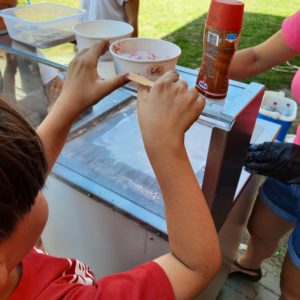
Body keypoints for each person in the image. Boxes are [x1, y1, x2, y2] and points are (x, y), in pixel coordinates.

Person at [0, 40, 221, 299]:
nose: (37, 177)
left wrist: (69, 102)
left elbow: (16, 176)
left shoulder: (12, 253)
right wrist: (165, 144)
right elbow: (194, 266)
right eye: (28, 194)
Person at [228, 10, 300, 300]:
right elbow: (256, 57)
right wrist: (204, 72)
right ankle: (249, 266)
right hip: (291, 163)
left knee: (293, 285)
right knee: (261, 225)